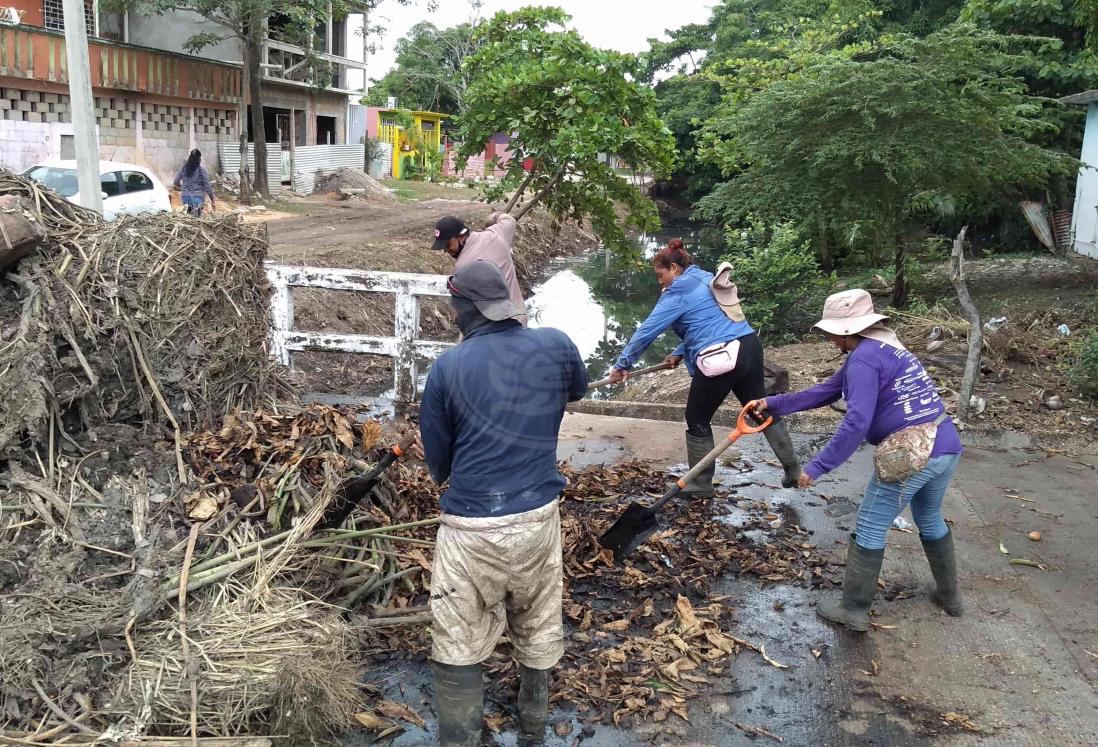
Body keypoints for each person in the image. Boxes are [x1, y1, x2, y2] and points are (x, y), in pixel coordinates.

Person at [418, 259, 587, 747]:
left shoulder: (448, 367)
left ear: (466, 309)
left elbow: (439, 466)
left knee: (457, 638)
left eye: (454, 307)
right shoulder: (556, 344)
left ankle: (460, 738)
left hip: (472, 531)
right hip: (538, 518)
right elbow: (575, 389)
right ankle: (533, 727)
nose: (452, 316)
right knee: (537, 619)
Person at [748, 289, 964, 632]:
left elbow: (856, 421)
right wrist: (773, 403)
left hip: (910, 453)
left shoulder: (863, 358)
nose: (828, 337)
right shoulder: (883, 347)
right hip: (944, 444)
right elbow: (827, 391)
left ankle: (853, 609)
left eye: (831, 331)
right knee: (929, 516)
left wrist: (818, 466)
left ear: (846, 331)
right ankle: (950, 597)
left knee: (870, 525)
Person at [608, 239, 801, 494]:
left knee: (697, 417)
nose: (660, 281)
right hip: (749, 346)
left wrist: (622, 365)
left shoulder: (677, 292)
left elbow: (647, 332)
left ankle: (699, 484)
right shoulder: (705, 278)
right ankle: (794, 469)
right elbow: (708, 322)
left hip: (723, 357)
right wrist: (679, 352)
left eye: (660, 274)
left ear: (674, 268)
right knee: (757, 408)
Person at [431, 213, 528, 325]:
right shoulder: (496, 234)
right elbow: (509, 220)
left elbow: (464, 308)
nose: (445, 250)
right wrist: (492, 218)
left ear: (461, 237)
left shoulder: (463, 267)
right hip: (518, 319)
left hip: (491, 329)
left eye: (447, 244)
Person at [173, 149, 216, 217]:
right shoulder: (201, 170)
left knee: (187, 218)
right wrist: (212, 200)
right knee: (196, 219)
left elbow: (175, 181)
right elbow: (208, 186)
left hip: (185, 198)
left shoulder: (183, 169)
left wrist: (182, 187)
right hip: (197, 199)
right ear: (199, 159)